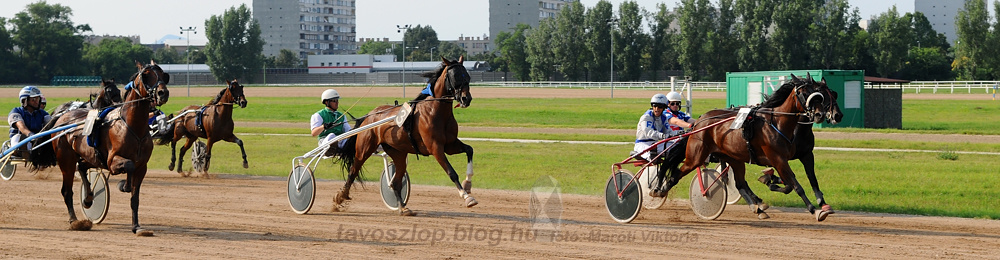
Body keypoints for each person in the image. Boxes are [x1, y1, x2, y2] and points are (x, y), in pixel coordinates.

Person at [632, 92, 693, 162]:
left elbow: (669, 132)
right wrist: (663, 136)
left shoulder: (663, 118)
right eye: (654, 106)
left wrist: (679, 133)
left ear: (664, 108)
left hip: (655, 145)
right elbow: (648, 132)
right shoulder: (646, 117)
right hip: (642, 145)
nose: (656, 109)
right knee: (653, 157)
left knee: (676, 147)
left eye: (660, 107)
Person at [8, 86, 52, 157]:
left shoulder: (43, 113)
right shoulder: (16, 111)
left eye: (38, 99)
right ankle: (19, 151)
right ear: (25, 100)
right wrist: (31, 135)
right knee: (18, 137)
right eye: (33, 99)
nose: (37, 102)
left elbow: (51, 124)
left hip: (37, 141)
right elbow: (21, 127)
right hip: (20, 139)